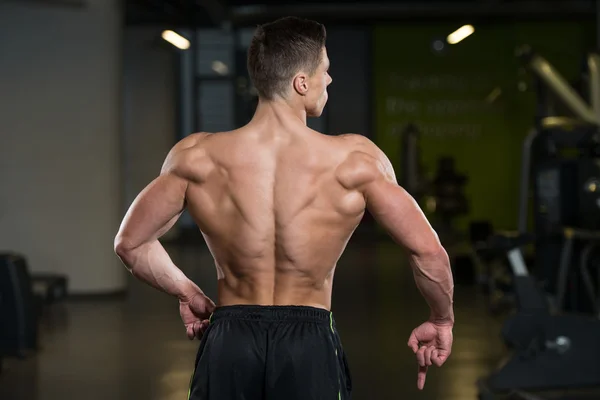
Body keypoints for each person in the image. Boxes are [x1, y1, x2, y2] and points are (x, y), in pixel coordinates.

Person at [114, 16, 454, 399]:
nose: (330, 80)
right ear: (301, 82)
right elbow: (427, 250)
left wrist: (188, 293)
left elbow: (131, 243)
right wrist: (441, 319)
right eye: (325, 70)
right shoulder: (355, 160)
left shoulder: (196, 157)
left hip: (230, 338)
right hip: (308, 342)